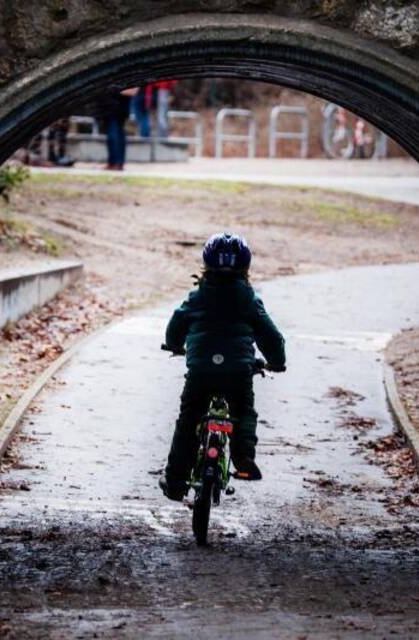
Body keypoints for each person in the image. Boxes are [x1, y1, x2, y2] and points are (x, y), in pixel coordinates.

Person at [159, 233, 286, 502]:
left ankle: (175, 480)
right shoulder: (249, 299)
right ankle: (244, 458)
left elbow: (176, 324)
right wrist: (277, 362)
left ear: (206, 265)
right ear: (245, 267)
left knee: (188, 421)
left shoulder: (197, 297)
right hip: (238, 372)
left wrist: (173, 345)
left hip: (201, 371)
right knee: (243, 411)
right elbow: (270, 336)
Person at [102, 87, 137, 171]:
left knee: (113, 129)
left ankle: (114, 162)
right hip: (124, 101)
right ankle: (118, 162)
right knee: (119, 130)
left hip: (114, 100)